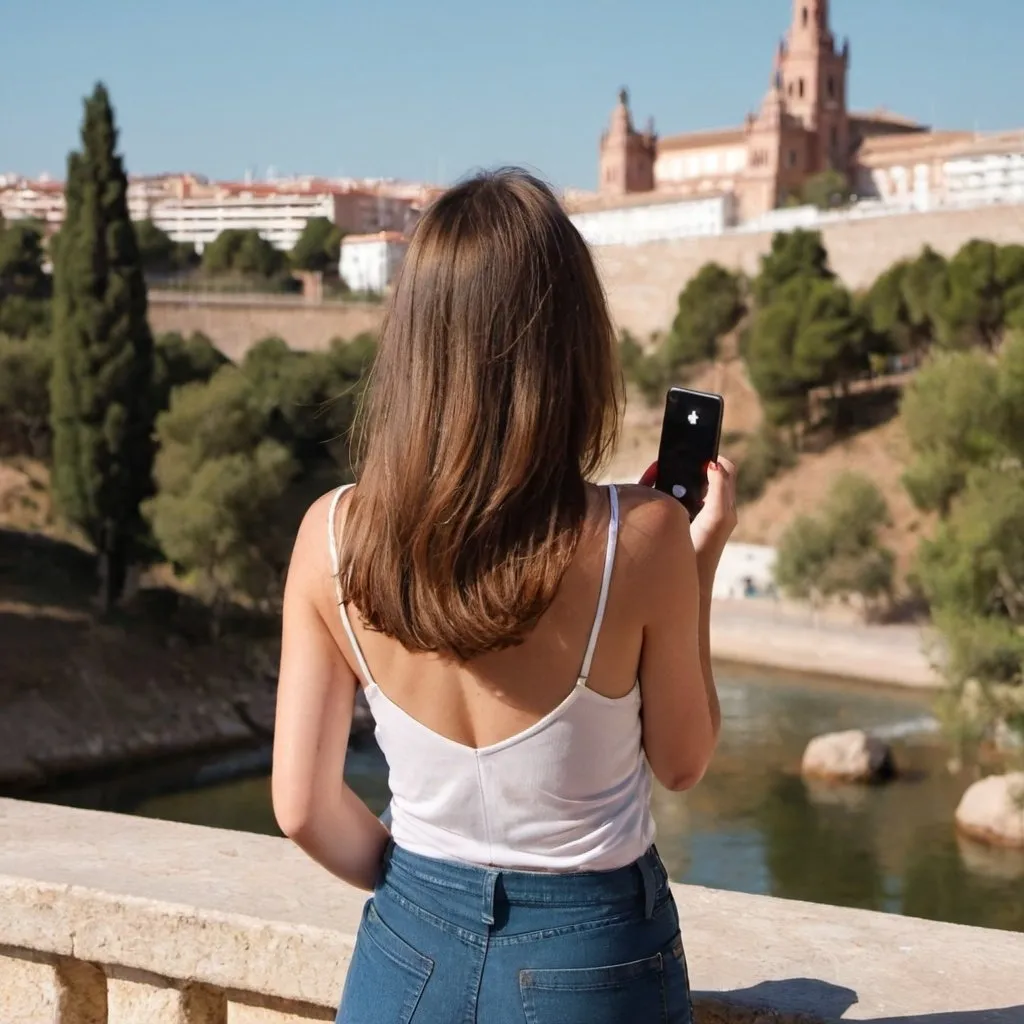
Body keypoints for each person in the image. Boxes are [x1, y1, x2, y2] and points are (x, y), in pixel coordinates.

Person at [272, 168, 737, 1024]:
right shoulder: (643, 538)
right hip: (592, 959)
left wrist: (426, 892)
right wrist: (694, 564)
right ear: (571, 344)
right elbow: (682, 761)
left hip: (403, 955)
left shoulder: (328, 537)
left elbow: (301, 807)